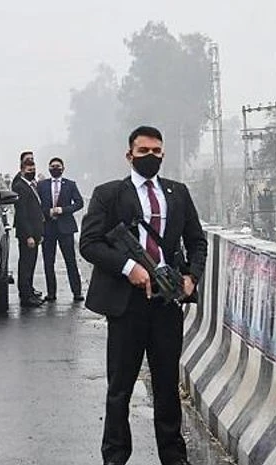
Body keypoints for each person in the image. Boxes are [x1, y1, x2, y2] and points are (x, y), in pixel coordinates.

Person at [79, 126, 207, 465]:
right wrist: (128, 268)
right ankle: (115, 457)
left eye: (156, 151)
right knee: (120, 388)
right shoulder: (108, 195)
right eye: (143, 151)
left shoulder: (177, 193)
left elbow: (197, 240)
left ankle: (174, 457)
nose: (150, 156)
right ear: (129, 155)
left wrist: (191, 276)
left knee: (167, 386)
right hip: (126, 304)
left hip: (167, 302)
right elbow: (89, 243)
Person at [37, 157, 84, 302]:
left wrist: (63, 210)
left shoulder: (70, 185)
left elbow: (79, 203)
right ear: (49, 168)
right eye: (52, 166)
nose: (55, 168)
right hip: (48, 228)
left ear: (63, 168)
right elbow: (37, 206)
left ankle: (77, 292)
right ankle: (51, 293)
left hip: (66, 228)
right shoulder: (42, 185)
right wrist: (48, 212)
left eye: (57, 166)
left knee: (70, 261)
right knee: (48, 262)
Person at [13, 158, 45, 308]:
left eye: (33, 169)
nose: (32, 172)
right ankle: (26, 296)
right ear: (22, 170)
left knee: (31, 264)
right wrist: (29, 235)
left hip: (35, 232)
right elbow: (22, 214)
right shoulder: (21, 186)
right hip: (28, 234)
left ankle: (29, 291)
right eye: (28, 170)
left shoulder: (31, 186)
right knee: (26, 264)